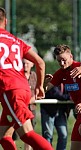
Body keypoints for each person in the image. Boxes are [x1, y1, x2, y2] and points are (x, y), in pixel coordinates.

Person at [0, 7, 53, 150]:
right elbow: (40, 62)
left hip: (10, 90)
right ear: (6, 21)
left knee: (27, 134)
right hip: (23, 88)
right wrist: (39, 86)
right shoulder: (16, 41)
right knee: (4, 136)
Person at [44, 44, 81, 150]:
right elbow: (44, 90)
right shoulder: (61, 73)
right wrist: (44, 83)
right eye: (59, 61)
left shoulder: (80, 69)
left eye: (64, 60)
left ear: (71, 56)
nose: (62, 63)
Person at [40, 84, 71, 150]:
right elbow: (56, 94)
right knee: (48, 135)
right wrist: (70, 97)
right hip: (48, 110)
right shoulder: (53, 80)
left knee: (63, 134)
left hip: (60, 111)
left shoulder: (67, 82)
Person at [23, 59, 37, 150]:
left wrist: (33, 99)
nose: (25, 65)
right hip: (19, 108)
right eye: (23, 63)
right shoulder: (17, 75)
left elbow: (38, 91)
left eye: (27, 63)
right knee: (14, 134)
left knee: (30, 133)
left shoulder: (34, 75)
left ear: (32, 64)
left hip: (31, 109)